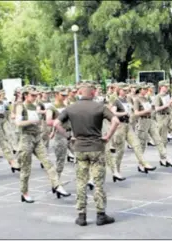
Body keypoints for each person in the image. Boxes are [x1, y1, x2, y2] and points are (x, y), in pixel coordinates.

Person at [53, 81, 120, 226]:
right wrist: (107, 136)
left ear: (79, 93)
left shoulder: (70, 108)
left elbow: (56, 124)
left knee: (81, 181)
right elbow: (115, 121)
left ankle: (81, 215)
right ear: (93, 93)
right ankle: (100, 214)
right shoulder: (100, 107)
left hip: (80, 148)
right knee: (98, 182)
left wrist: (69, 137)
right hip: (96, 147)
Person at [15, 86, 71, 203]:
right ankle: (24, 193)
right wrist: (31, 121)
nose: (35, 97)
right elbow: (18, 122)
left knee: (48, 162)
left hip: (37, 137)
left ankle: (57, 185)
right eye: (32, 95)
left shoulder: (35, 106)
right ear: (26, 95)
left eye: (36, 95)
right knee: (26, 168)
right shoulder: (21, 106)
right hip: (26, 138)